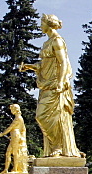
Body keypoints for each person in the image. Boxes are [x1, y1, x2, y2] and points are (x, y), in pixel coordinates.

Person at [20, 14, 80, 158]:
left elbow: (63, 62)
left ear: (48, 24)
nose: (40, 26)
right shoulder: (47, 42)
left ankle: (59, 146)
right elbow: (45, 64)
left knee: (44, 116)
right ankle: (55, 146)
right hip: (46, 85)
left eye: (42, 23)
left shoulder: (57, 41)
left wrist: (60, 81)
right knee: (41, 116)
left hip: (55, 85)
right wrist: (30, 67)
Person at [0, 103, 29, 174]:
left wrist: (2, 134)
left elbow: (10, 127)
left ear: (15, 110)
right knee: (8, 153)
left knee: (15, 153)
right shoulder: (18, 118)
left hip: (16, 136)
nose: (11, 111)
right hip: (15, 136)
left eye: (12, 109)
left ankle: (15, 169)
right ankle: (6, 169)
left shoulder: (18, 118)